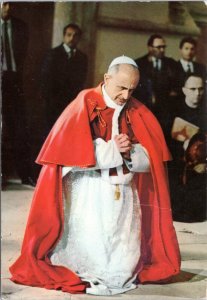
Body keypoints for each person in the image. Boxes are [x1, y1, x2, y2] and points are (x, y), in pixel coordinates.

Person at [10, 56, 180, 295]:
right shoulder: (85, 102)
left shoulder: (136, 109)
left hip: (124, 192)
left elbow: (149, 159)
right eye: (121, 87)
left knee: (122, 257)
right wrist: (112, 149)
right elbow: (70, 154)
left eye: (131, 89)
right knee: (92, 247)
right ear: (106, 78)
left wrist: (130, 151)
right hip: (89, 190)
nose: (126, 95)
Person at [1, 2, 35, 187]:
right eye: (4, 3)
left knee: (19, 129)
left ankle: (25, 175)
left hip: (14, 81)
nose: (8, 8)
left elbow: (25, 59)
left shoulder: (20, 27)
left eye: (10, 3)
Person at [168, 74, 206, 222]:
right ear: (184, 90)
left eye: (201, 89)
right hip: (178, 168)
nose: (198, 93)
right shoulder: (173, 112)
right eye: (193, 89)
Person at [40, 23, 88, 134]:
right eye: (69, 35)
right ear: (64, 36)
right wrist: (49, 101)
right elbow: (45, 80)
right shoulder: (53, 54)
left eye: (75, 36)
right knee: (53, 133)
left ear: (79, 38)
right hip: (53, 104)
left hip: (72, 104)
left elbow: (81, 81)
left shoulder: (82, 58)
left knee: (68, 133)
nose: (72, 38)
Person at [133, 34, 176, 136]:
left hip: (165, 113)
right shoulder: (139, 64)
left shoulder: (171, 64)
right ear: (150, 48)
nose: (162, 50)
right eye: (158, 47)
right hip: (145, 109)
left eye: (163, 47)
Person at [174, 37, 206, 101]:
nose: (189, 52)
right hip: (178, 101)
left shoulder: (201, 68)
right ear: (180, 50)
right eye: (186, 49)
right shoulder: (173, 67)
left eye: (192, 49)